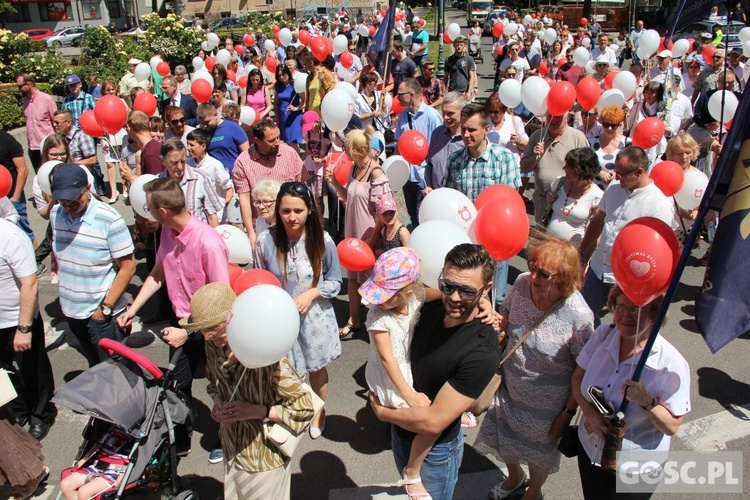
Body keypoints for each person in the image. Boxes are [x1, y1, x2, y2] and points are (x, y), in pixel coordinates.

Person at [370, 243, 503, 500]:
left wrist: (384, 414)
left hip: (434, 455)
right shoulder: (430, 305)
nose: (454, 297)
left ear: (485, 289)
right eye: (448, 286)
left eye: (467, 291)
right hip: (402, 433)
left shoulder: (482, 352)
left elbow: (433, 422)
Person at [117, 177, 230, 458]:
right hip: (181, 324)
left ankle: (224, 439)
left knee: (223, 388)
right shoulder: (167, 232)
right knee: (179, 386)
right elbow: (158, 273)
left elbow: (222, 304)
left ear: (162, 211)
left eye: (149, 207)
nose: (146, 213)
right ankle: (182, 437)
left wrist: (190, 332)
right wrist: (133, 308)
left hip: (211, 329)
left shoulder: (209, 243)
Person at [477, 238, 594, 500]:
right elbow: (507, 318)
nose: (533, 276)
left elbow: (583, 369)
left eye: (543, 273)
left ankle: (534, 491)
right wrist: (495, 321)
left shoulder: (579, 315)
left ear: (563, 279)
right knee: (504, 437)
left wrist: (566, 414)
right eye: (532, 267)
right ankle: (515, 477)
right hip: (509, 387)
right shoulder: (521, 284)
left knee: (537, 453)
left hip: (547, 408)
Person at [183, 283, 314, 498]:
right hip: (231, 449)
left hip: (263, 458)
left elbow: (305, 408)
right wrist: (216, 402)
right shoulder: (213, 345)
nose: (206, 336)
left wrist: (257, 411)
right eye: (202, 330)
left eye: (211, 328)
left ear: (231, 319)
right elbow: (213, 382)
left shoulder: (267, 357)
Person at [573, 286, 691, 499]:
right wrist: (590, 413)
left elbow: (672, 426)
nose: (625, 316)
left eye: (636, 309)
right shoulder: (603, 335)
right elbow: (577, 379)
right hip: (590, 451)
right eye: (620, 307)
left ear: (653, 315)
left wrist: (646, 401)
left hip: (634, 470)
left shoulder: (671, 363)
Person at [254, 181, 342, 439]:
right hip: (279, 320)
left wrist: (313, 292)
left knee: (316, 369)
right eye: (285, 211)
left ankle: (318, 410)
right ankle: (290, 412)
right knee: (282, 371)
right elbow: (258, 280)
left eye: (298, 211)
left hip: (314, 319)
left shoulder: (322, 240)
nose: (291, 217)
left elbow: (335, 280)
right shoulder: (264, 241)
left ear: (310, 211)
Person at [361, 247, 437, 499]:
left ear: (407, 291)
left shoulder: (414, 298)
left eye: (386, 295)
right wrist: (409, 393)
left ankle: (410, 463)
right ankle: (411, 472)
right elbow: (387, 358)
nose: (380, 300)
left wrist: (475, 298)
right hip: (392, 374)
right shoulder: (378, 314)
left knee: (417, 423)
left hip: (409, 364)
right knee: (421, 421)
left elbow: (440, 295)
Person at [579, 146, 677, 326]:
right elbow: (599, 221)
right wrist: (582, 252)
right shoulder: (614, 188)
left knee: (624, 326)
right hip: (599, 268)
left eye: (622, 174)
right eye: (616, 171)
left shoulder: (659, 204)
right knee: (583, 317)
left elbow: (660, 251)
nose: (616, 177)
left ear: (639, 171)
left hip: (627, 279)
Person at [50, 164, 135, 367]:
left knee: (119, 372)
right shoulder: (56, 214)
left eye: (73, 197)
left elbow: (128, 267)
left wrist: (104, 310)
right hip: (72, 312)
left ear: (88, 188)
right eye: (62, 198)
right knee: (98, 369)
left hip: (102, 317)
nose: (67, 203)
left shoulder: (109, 220)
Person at [445, 103, 521, 303]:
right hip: (466, 242)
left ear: (486, 129)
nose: (466, 134)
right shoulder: (455, 160)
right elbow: (450, 199)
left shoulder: (505, 159)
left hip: (495, 244)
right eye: (463, 129)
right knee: (467, 295)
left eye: (472, 129)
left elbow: (510, 203)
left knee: (496, 298)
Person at [326, 128, 392, 338]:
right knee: (353, 278)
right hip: (353, 230)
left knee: (374, 281)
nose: (343, 150)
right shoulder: (354, 168)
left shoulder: (377, 174)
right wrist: (334, 182)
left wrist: (373, 240)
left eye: (346, 147)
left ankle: (381, 328)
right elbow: (348, 198)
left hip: (369, 234)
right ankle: (354, 320)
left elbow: (386, 213)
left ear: (355, 150)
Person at [0, 219, 56, 440]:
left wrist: (24, 328)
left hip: (16, 319)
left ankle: (42, 413)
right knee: (5, 371)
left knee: (33, 369)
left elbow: (30, 284)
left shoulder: (10, 236)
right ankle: (20, 407)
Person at [233, 120, 307, 247]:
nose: (277, 142)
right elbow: (244, 198)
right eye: (272, 140)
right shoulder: (243, 162)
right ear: (257, 141)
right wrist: (251, 232)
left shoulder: (290, 154)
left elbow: (303, 188)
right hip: (263, 225)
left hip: (291, 223)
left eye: (278, 137)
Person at [521, 111, 589, 223]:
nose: (554, 120)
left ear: (567, 118)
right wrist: (535, 157)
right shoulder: (537, 136)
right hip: (542, 201)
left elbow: (587, 171)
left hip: (566, 204)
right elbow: (524, 168)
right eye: (550, 117)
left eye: (558, 117)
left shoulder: (578, 138)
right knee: (542, 238)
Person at [394, 78, 443, 228]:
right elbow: (398, 145)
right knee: (412, 216)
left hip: (424, 176)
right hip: (408, 176)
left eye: (400, 94)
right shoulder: (402, 116)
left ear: (411, 94)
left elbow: (439, 146)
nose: (398, 98)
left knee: (423, 217)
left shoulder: (432, 116)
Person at [545, 148, 604, 248]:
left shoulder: (596, 195)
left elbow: (597, 229)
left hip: (572, 252)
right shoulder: (559, 182)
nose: (564, 168)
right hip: (549, 246)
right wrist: (549, 199)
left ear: (582, 170)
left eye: (569, 166)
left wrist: (585, 255)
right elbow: (549, 206)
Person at [59, 427, 134, 499]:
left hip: (115, 472)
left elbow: (133, 459)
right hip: (96, 465)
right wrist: (86, 457)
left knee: (84, 492)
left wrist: (122, 476)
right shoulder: (113, 429)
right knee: (66, 485)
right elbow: (98, 445)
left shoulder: (134, 437)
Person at [665, 133, 708, 245]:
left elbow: (700, 207)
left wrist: (691, 215)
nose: (684, 157)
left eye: (688, 152)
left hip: (683, 230)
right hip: (663, 226)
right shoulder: (662, 172)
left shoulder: (700, 178)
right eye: (679, 153)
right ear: (671, 154)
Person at [53, 109, 106, 197]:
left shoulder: (81, 136)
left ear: (68, 123)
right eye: (53, 122)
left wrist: (72, 164)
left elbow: (92, 160)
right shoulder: (60, 138)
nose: (54, 125)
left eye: (57, 123)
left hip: (82, 179)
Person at [186, 128, 233, 222]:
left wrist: (223, 204)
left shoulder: (215, 165)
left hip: (215, 216)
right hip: (195, 216)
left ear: (203, 146)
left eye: (192, 145)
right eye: (187, 144)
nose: (188, 148)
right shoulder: (187, 163)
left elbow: (228, 187)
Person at [424, 92, 466, 194]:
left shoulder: (469, 138)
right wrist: (428, 185)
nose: (446, 117)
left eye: (450, 113)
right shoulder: (437, 134)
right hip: (437, 198)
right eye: (443, 112)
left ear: (463, 112)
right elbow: (430, 165)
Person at [17, 73, 56, 172]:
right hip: (33, 147)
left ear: (29, 85)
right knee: (39, 177)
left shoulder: (46, 99)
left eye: (20, 86)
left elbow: (56, 122)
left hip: (47, 145)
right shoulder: (25, 101)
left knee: (52, 175)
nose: (18, 88)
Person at [197, 103, 249, 176]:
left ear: (215, 115)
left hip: (235, 176)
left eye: (207, 122)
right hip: (213, 177)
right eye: (202, 123)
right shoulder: (203, 132)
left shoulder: (233, 127)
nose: (204, 126)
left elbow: (246, 154)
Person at [0, 130, 33, 244]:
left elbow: (23, 170)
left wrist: (16, 197)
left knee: (24, 234)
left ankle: (36, 259)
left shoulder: (6, 140)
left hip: (12, 196)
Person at [590, 105, 628, 190]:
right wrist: (598, 172)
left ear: (620, 125)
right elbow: (585, 164)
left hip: (617, 190)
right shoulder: (591, 142)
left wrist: (618, 173)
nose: (609, 128)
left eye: (614, 125)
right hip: (595, 190)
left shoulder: (627, 143)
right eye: (606, 124)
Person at [273, 66, 304, 152]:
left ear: (288, 73)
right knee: (287, 141)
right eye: (279, 76)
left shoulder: (295, 84)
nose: (282, 77)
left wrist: (296, 108)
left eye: (283, 74)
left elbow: (304, 101)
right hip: (283, 116)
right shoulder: (277, 85)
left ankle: (297, 161)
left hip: (294, 116)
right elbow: (276, 102)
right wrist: (276, 117)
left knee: (293, 141)